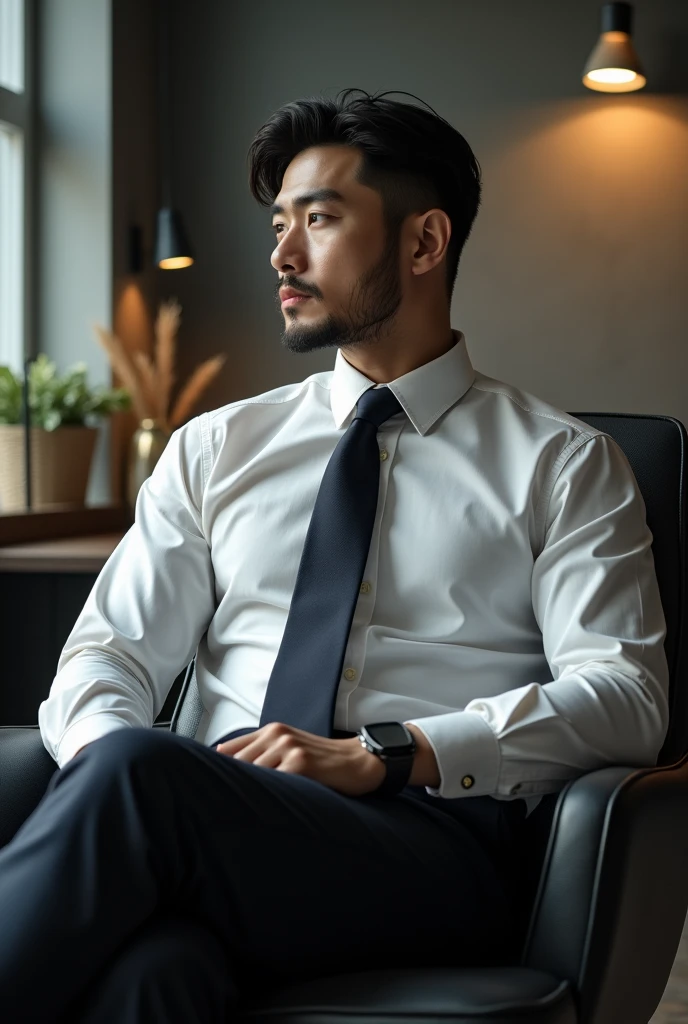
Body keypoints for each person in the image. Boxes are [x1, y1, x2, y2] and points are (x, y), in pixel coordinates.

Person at [0, 88, 669, 1022]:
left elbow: (627, 698)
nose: (281, 254)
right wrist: (124, 784)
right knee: (156, 973)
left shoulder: (563, 465)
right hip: (211, 823)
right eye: (279, 224)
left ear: (424, 243)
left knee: (143, 781)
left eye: (318, 219)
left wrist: (387, 755)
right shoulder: (216, 449)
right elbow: (106, 656)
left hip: (430, 850)